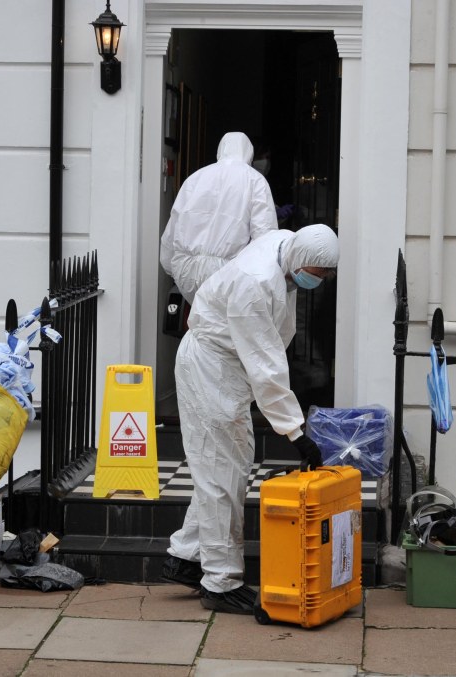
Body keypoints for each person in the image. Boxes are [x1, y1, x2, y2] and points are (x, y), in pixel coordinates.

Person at [161, 223, 338, 614]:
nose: (316, 282)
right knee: (222, 473)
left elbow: (266, 352)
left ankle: (186, 556)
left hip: (225, 366)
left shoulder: (284, 246)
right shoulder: (255, 283)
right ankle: (221, 582)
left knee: (224, 468)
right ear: (298, 259)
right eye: (315, 273)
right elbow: (266, 364)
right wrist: (295, 431)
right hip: (211, 366)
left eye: (324, 277)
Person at [160, 131, 278, 305]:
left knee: (200, 324)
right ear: (249, 153)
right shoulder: (254, 180)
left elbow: (174, 224)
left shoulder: (195, 178)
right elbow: (264, 236)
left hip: (185, 269)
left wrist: (171, 267)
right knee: (221, 327)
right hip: (227, 272)